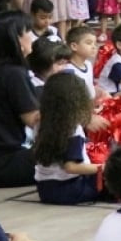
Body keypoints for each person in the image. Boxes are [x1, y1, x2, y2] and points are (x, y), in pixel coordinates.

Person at [32, 72, 102, 205]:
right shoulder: (72, 129)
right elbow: (71, 167)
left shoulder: (41, 122)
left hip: (45, 189)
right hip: (71, 188)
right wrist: (102, 167)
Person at [0, 12, 39, 188]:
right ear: (16, 39)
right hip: (14, 160)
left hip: (0, 161)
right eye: (28, 32)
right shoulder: (13, 73)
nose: (32, 37)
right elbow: (33, 119)